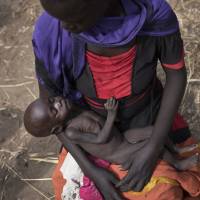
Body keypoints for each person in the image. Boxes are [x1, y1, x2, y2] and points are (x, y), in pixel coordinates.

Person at [31, 0, 199, 199]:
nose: (64, 26)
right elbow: (55, 120)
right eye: (58, 17)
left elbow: (176, 75)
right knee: (70, 188)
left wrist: (154, 147)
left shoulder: (151, 15)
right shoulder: (52, 33)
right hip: (99, 146)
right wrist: (93, 172)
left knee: (167, 190)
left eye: (73, 18)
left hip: (149, 120)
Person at [24, 96, 199, 172]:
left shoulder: (74, 111)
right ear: (56, 129)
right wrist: (111, 115)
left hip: (122, 138)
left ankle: (176, 149)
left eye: (52, 100)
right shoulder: (71, 132)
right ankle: (177, 164)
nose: (58, 102)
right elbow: (101, 138)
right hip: (119, 152)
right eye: (54, 110)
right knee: (152, 147)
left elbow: (96, 119)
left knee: (153, 131)